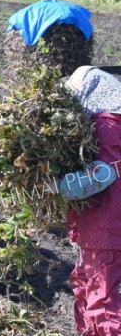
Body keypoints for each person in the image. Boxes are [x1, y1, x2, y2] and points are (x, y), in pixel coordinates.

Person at [53, 66, 121, 336]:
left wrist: (57, 185)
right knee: (90, 282)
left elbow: (99, 176)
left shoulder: (105, 124)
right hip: (109, 223)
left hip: (105, 221)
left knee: (100, 293)